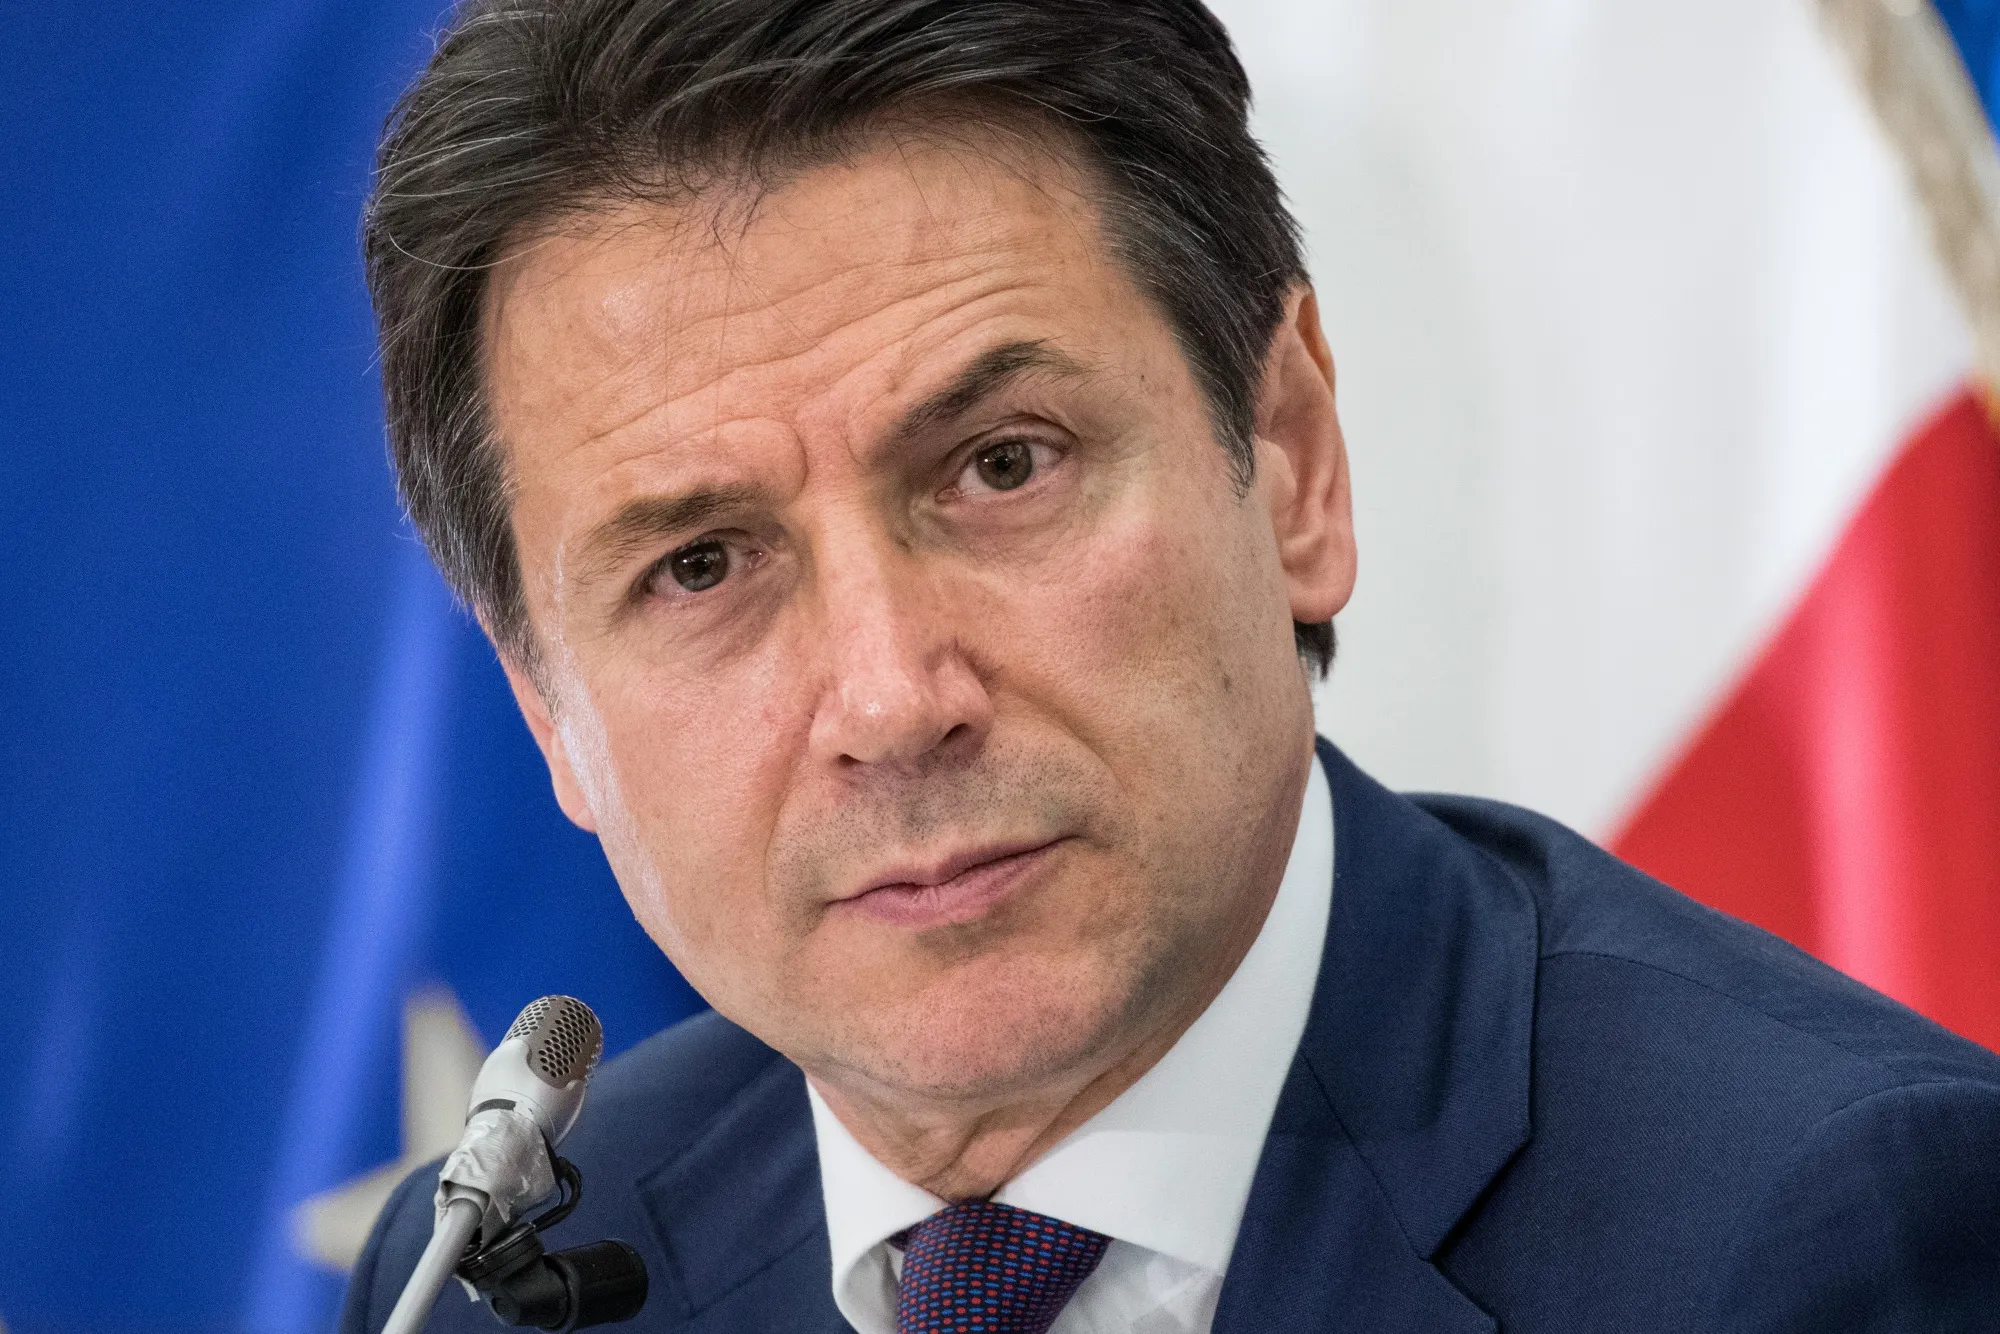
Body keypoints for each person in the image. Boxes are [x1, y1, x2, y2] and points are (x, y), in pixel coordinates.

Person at [340, 1, 2000, 1329]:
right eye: (700, 564)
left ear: (1288, 461)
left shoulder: (1816, 1241)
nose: (893, 697)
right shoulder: (491, 1272)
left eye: (1002, 465)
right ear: (546, 703)